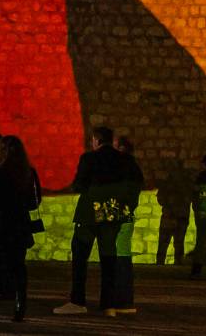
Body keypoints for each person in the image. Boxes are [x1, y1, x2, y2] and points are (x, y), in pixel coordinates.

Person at [57, 125, 142, 317]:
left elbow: (79, 184)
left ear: (96, 140)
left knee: (80, 256)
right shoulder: (126, 160)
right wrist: (125, 206)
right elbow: (136, 184)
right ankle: (108, 305)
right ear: (111, 140)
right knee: (109, 258)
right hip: (112, 211)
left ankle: (77, 301)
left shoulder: (89, 158)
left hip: (89, 212)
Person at [0, 134, 40, 322]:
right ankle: (19, 304)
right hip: (19, 223)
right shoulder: (28, 173)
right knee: (18, 265)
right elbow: (34, 202)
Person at [110, 137, 144, 316]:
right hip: (124, 216)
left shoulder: (123, 168)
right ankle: (122, 300)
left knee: (120, 258)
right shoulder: (132, 168)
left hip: (119, 217)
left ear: (122, 149)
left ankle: (122, 301)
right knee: (121, 257)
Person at [155, 162, 192, 266]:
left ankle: (162, 263)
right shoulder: (184, 183)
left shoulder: (168, 183)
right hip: (178, 216)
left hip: (174, 216)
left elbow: (160, 199)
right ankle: (173, 263)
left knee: (167, 242)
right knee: (175, 243)